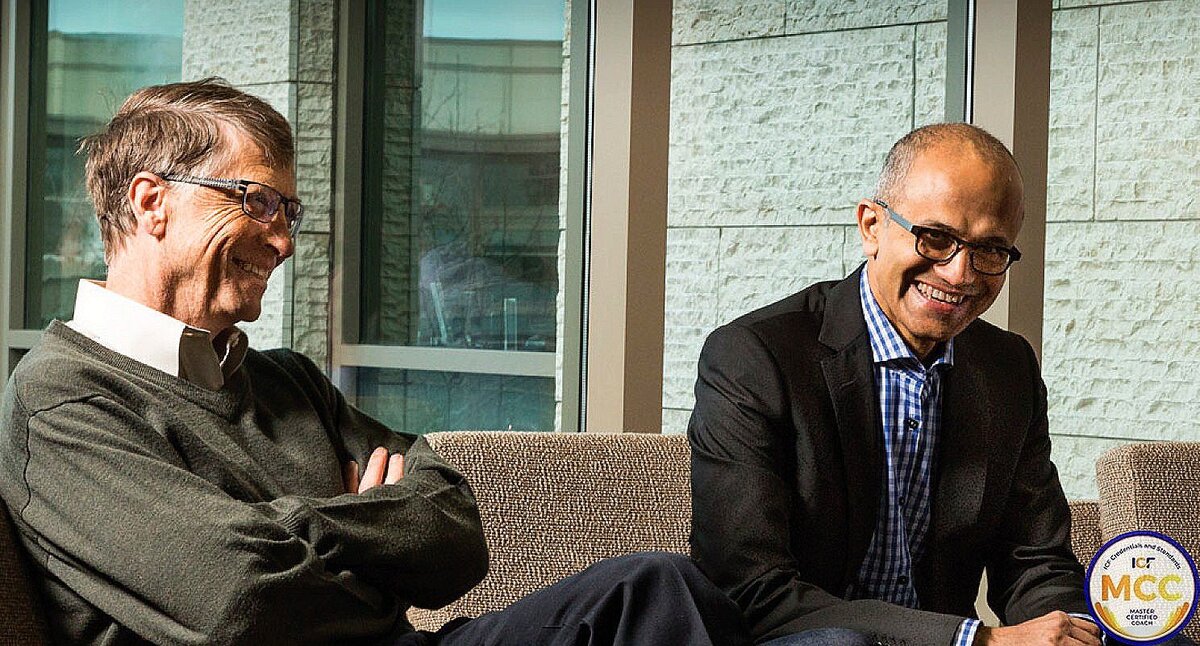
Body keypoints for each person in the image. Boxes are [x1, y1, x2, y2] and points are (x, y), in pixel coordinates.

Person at [0, 78, 749, 646]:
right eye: (256, 201)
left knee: (653, 589)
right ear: (150, 202)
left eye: (289, 213)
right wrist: (371, 528)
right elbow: (242, 599)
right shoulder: (61, 401)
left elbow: (455, 528)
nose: (284, 241)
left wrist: (286, 529)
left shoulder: (288, 381)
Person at [689, 123, 1110, 646]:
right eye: (936, 238)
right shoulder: (754, 357)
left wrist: (1074, 634)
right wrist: (979, 641)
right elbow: (753, 591)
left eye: (990, 249)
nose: (959, 274)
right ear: (872, 226)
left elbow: (1035, 562)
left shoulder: (1008, 368)